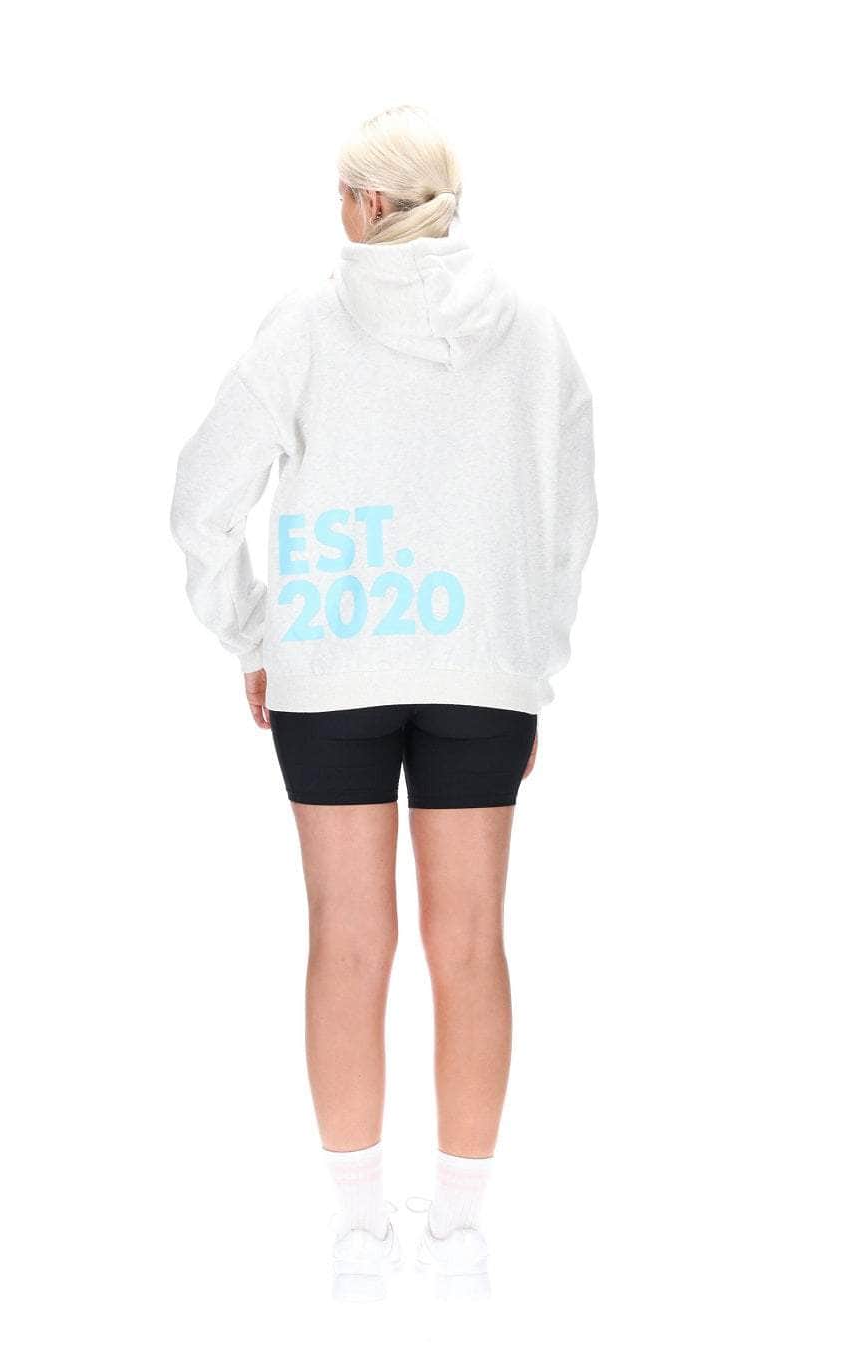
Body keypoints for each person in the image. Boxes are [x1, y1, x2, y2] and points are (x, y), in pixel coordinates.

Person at [170, 104, 598, 1302]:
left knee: (348, 940)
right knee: (471, 942)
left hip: (331, 671)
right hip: (480, 671)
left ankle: (360, 1233)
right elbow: (572, 515)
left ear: (365, 203)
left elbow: (201, 498)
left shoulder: (306, 323)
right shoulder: (534, 330)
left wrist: (255, 632)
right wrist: (528, 660)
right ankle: (459, 1232)